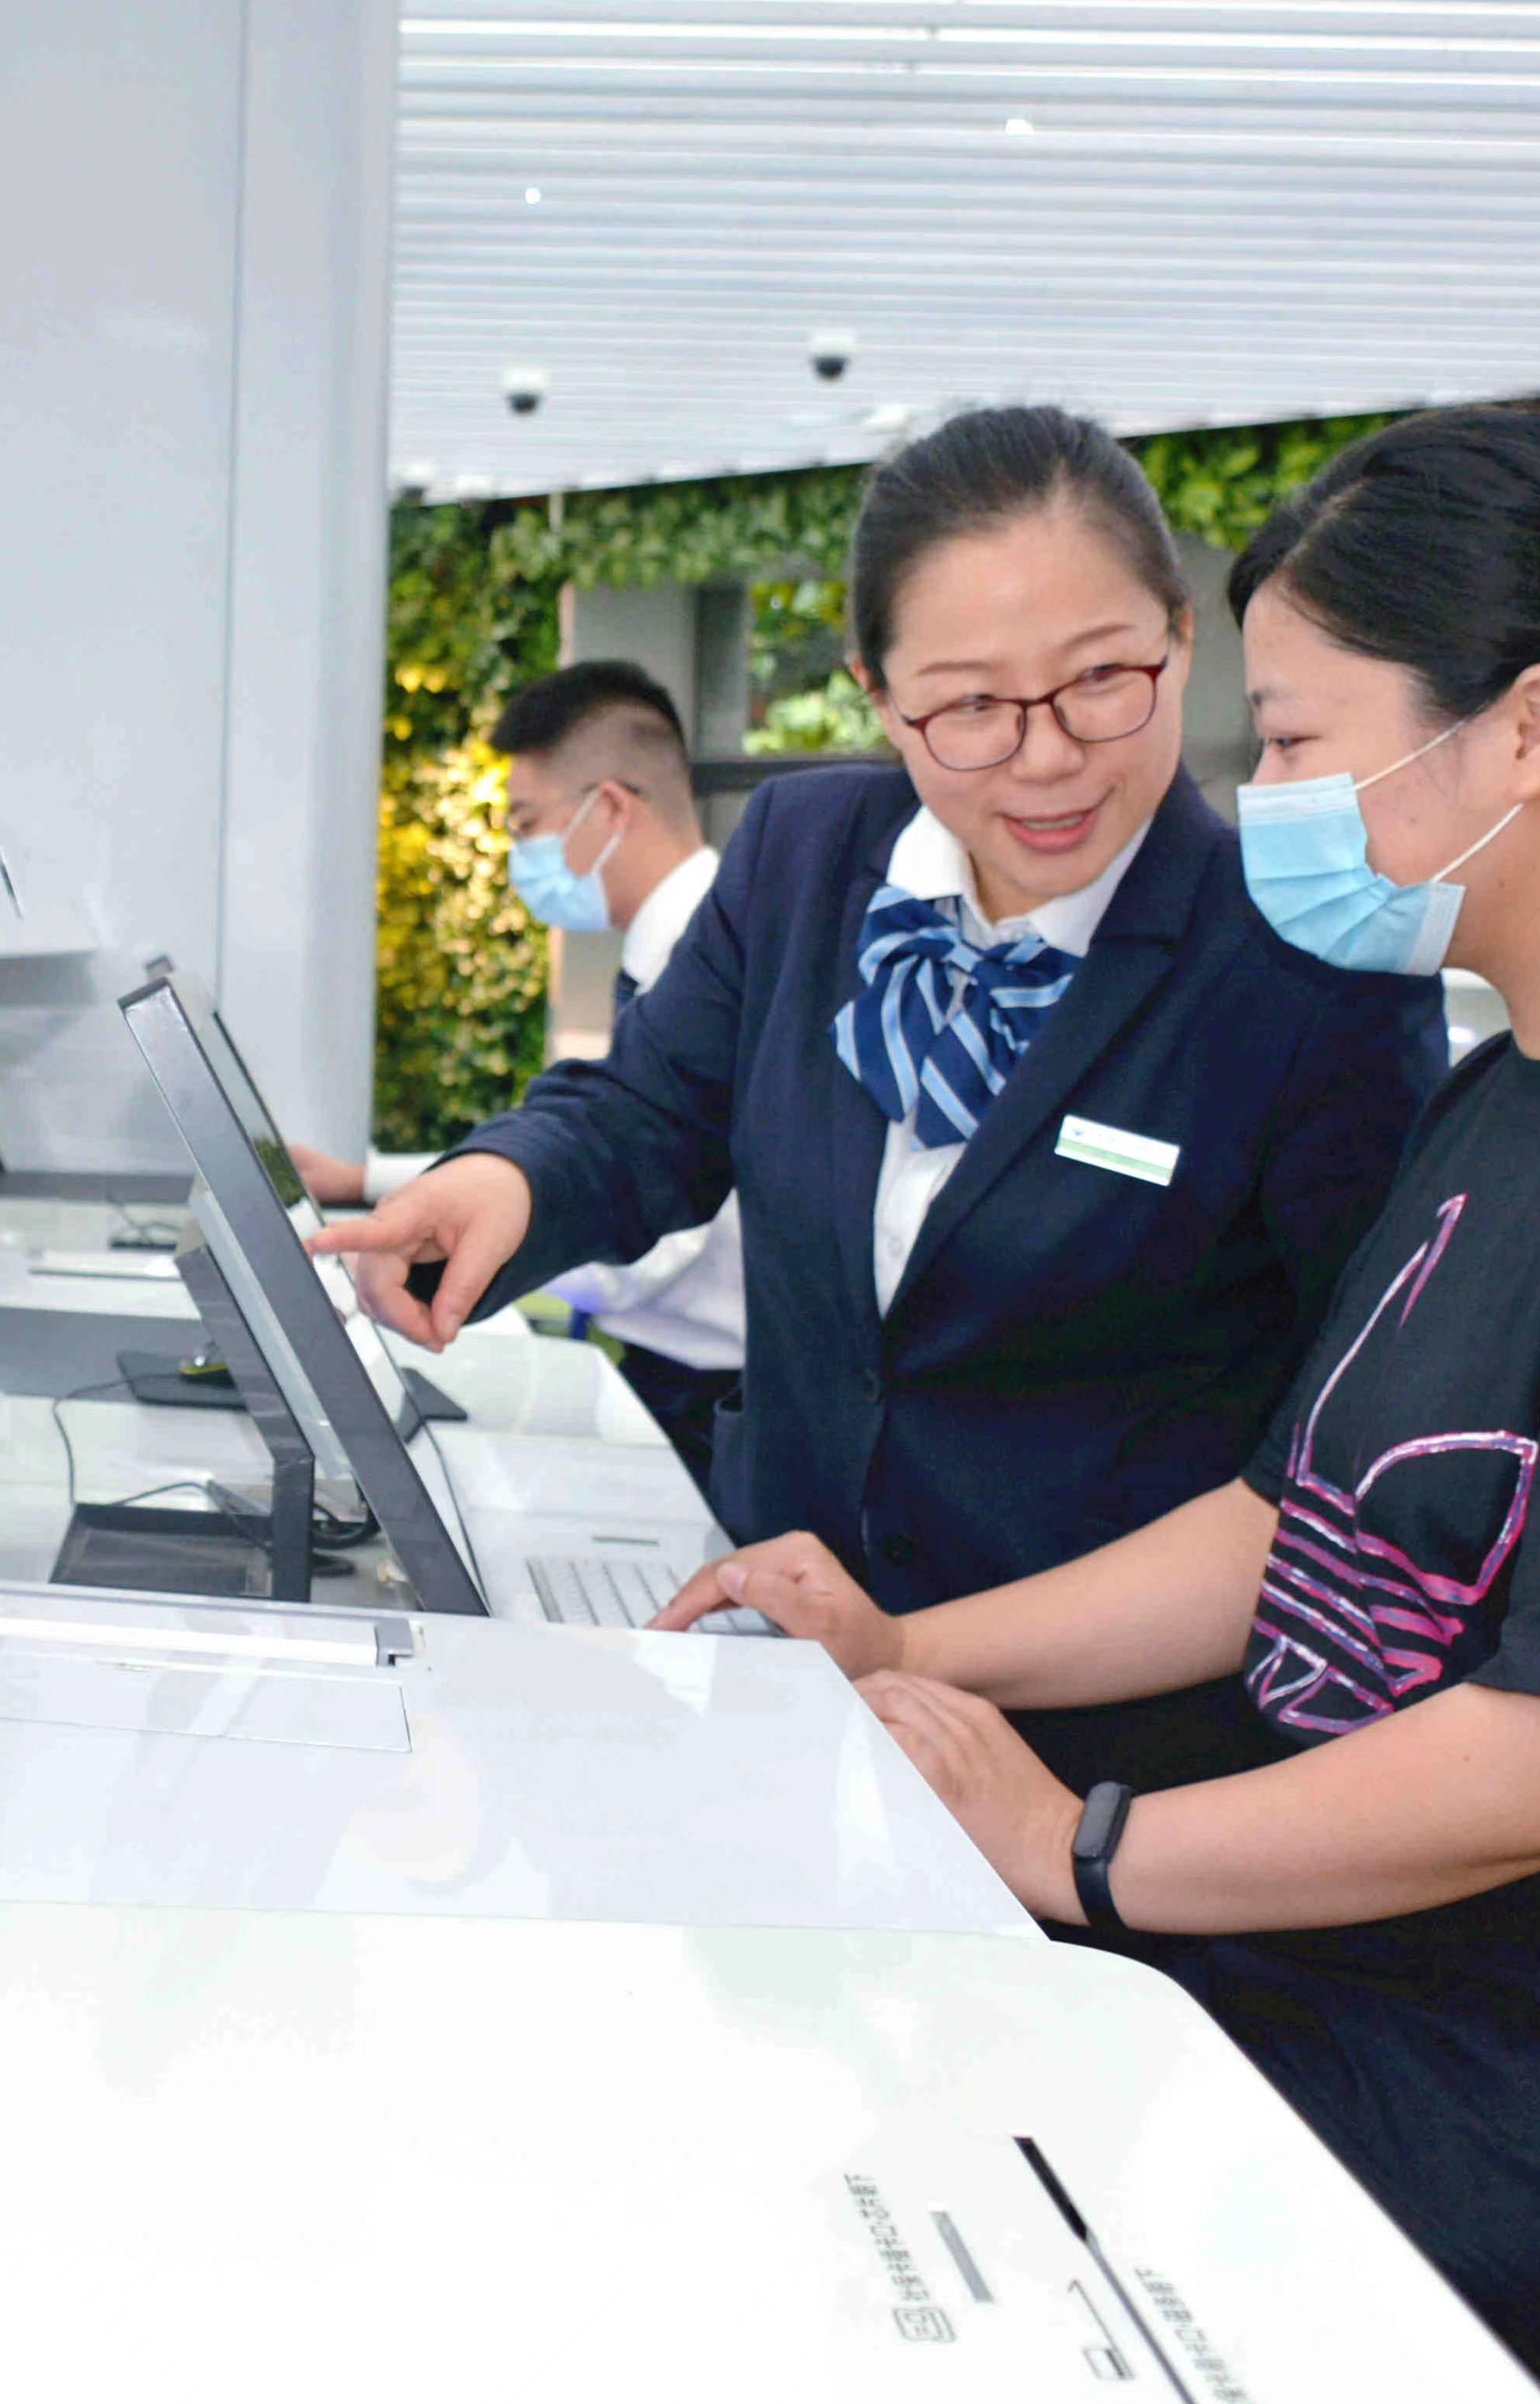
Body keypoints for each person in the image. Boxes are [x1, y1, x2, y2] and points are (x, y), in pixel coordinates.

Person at [658, 407, 1540, 2404]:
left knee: (863, 2221)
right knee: (795, 2037)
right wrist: (906, 1655)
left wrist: (1079, 1847)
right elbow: (1281, 1523)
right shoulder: (1515, 1087)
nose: (1257, 796)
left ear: (1529, 725)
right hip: (1431, 1999)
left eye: (1290, 738)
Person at [316, 404, 1445, 1787]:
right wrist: (504, 1180)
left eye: (1103, 680)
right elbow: (648, 1110)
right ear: (875, 691)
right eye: (967, 706)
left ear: (1182, 638)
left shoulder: (1305, 966)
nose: (1046, 755)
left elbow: (1344, 1442)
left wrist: (928, 1654)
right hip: (779, 1681)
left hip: (1097, 1750)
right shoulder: (808, 856)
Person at [297, 660, 748, 1484]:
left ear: (610, 809)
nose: (517, 852)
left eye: (526, 823)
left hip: (712, 1402)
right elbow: (600, 1141)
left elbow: (649, 1217)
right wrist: (370, 1183)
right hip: (684, 1382)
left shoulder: (710, 961)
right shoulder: (675, 946)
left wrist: (452, 1258)